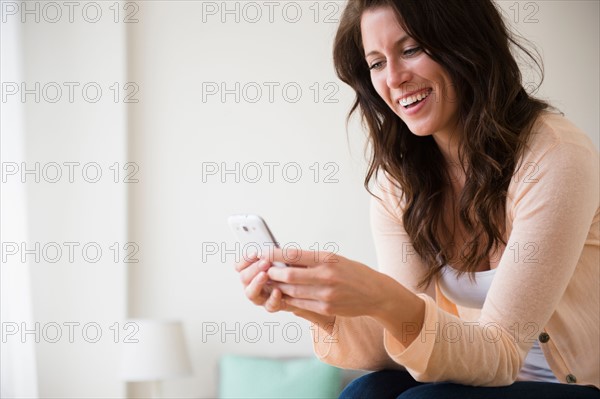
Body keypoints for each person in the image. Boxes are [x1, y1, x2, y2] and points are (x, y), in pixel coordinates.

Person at [235, 0, 600, 397]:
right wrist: (319, 308)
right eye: (376, 63)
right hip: (476, 375)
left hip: (571, 385)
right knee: (366, 392)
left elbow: (501, 354)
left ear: (467, 46)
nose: (393, 78)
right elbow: (398, 352)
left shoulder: (555, 155)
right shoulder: (401, 180)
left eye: (411, 50)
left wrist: (383, 297)